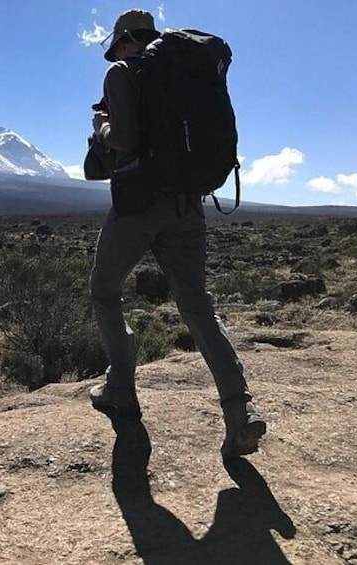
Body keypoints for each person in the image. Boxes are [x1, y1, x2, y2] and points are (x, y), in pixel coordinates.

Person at [88, 9, 266, 459]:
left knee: (104, 291)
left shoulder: (123, 72)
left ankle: (121, 388)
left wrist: (101, 127)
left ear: (124, 41)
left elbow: (124, 140)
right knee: (197, 306)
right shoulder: (189, 72)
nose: (116, 52)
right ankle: (239, 412)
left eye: (117, 45)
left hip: (138, 206)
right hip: (189, 206)